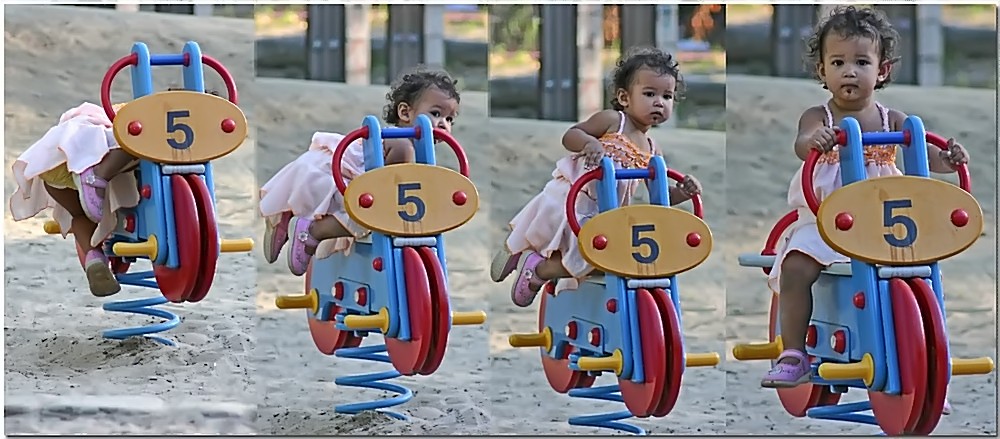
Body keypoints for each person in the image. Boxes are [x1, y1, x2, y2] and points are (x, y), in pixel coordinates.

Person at [761, 6, 966, 414]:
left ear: (882, 70)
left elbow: (922, 158)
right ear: (822, 70)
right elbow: (802, 143)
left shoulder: (896, 119)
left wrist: (950, 160)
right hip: (825, 220)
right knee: (797, 267)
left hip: (884, 224)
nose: (849, 72)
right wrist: (815, 141)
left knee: (913, 276)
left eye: (861, 62)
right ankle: (795, 354)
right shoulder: (819, 115)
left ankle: (919, 371)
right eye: (837, 63)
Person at [490, 47, 702, 307]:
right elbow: (570, 135)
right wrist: (589, 143)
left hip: (603, 213)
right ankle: (520, 252)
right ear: (624, 97)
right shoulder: (614, 121)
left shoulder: (652, 149)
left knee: (599, 259)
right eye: (649, 94)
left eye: (667, 96)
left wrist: (684, 192)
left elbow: (661, 198)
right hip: (572, 197)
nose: (659, 102)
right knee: (560, 239)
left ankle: (538, 268)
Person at [259, 67, 461, 275]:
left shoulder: (412, 148)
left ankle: (283, 213)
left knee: (367, 213)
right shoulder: (403, 146)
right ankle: (312, 232)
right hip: (340, 176)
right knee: (366, 218)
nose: (444, 124)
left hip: (350, 178)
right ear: (405, 113)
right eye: (436, 114)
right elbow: (390, 196)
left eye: (450, 119)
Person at [10, 102, 140, 297]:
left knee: (79, 216)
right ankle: (96, 176)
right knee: (137, 141)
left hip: (53, 162)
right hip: (86, 154)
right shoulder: (145, 114)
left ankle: (94, 259)